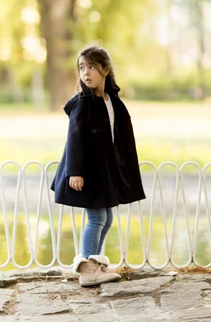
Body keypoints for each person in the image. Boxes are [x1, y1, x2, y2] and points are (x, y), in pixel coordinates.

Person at [50, 45, 146, 287]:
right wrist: (75, 171)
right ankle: (88, 269)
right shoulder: (84, 103)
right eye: (82, 68)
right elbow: (74, 138)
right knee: (96, 219)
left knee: (107, 219)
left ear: (105, 69)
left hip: (104, 171)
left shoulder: (110, 101)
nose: (86, 72)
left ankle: (94, 263)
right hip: (87, 172)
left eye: (91, 67)